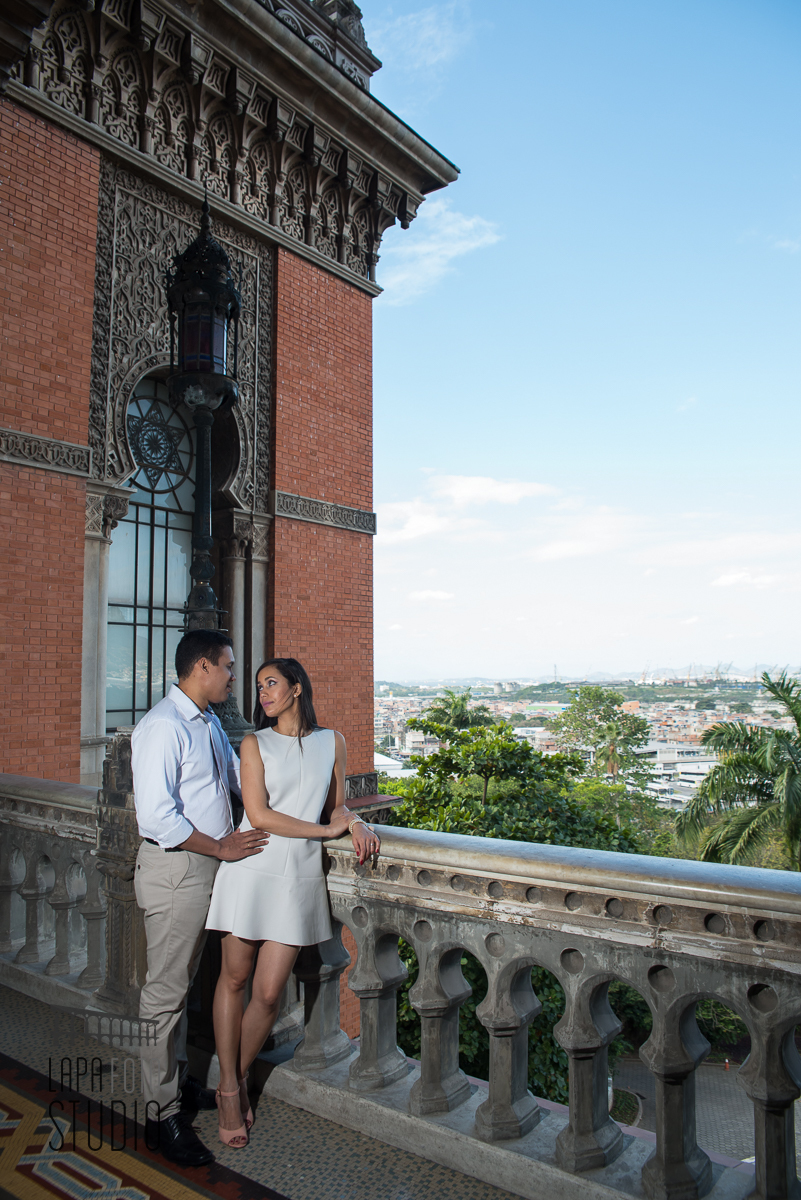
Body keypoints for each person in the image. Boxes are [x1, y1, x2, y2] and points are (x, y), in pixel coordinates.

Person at [205, 657, 380, 1147]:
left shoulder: (333, 742)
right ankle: (227, 1091)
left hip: (297, 875)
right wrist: (326, 830)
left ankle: (235, 1076)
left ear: (297, 688)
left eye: (271, 683)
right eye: (259, 685)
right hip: (253, 866)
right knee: (234, 979)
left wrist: (357, 823)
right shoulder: (254, 742)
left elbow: (337, 804)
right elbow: (258, 813)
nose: (262, 693)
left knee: (268, 992)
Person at [131, 629, 269, 1168]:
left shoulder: (207, 721)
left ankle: (181, 1088)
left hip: (209, 865)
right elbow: (156, 817)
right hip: (177, 870)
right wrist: (221, 846)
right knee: (163, 994)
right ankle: (160, 1115)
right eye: (228, 667)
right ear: (203, 668)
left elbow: (237, 784)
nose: (234, 677)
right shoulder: (162, 727)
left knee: (188, 984)